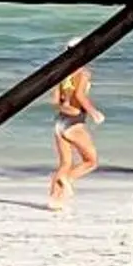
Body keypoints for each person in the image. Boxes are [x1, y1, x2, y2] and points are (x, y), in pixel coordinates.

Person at [48, 66, 104, 212]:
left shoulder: (62, 74)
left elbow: (54, 101)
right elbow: (79, 95)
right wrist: (93, 112)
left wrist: (65, 107)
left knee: (65, 163)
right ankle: (67, 180)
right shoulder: (83, 73)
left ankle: (55, 201)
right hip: (74, 123)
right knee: (91, 161)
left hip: (60, 122)